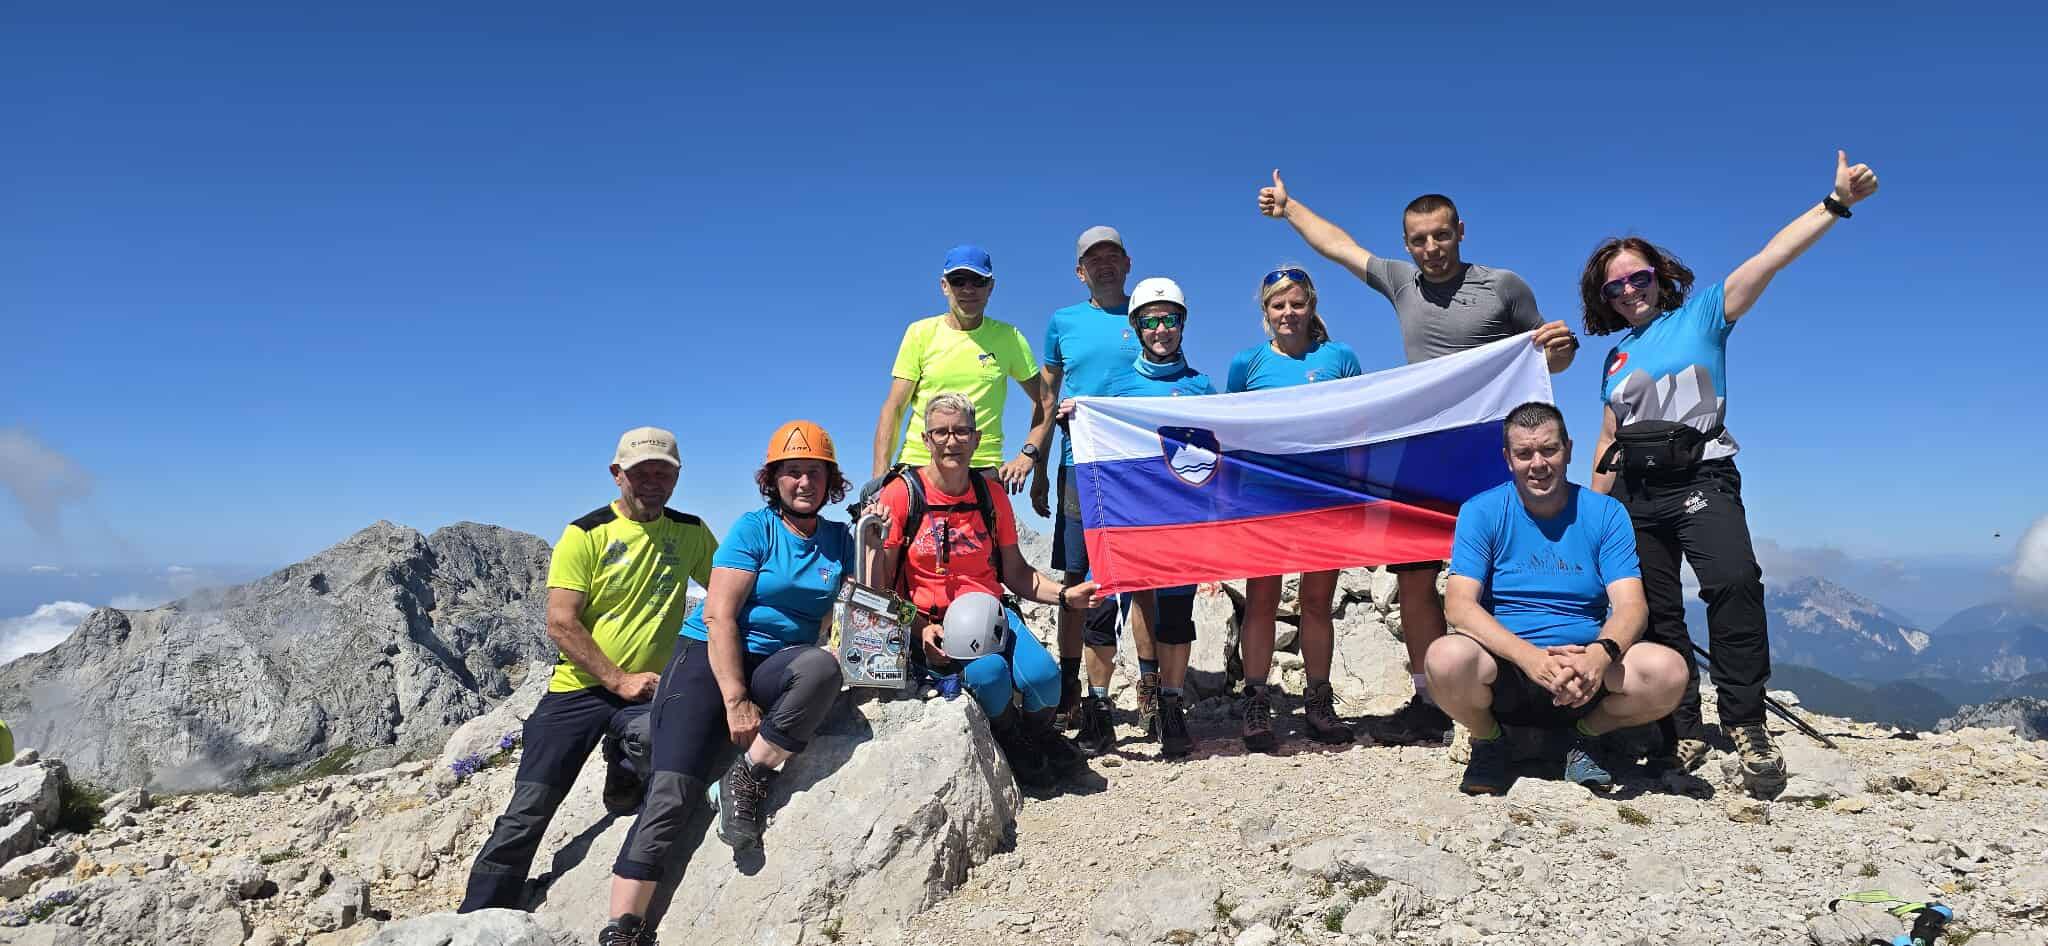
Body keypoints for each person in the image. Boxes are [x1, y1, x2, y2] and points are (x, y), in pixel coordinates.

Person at [1583, 151, 1881, 794]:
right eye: (1615, 288)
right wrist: (1592, 514)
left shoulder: (1704, 315)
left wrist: (1834, 205)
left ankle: (1745, 721)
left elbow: (1771, 257)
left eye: (1638, 278)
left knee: (1734, 581)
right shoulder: (1613, 359)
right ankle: (1680, 727)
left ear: (1660, 277)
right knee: (1655, 610)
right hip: (1635, 492)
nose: (1629, 292)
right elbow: (1608, 438)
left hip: (1702, 476)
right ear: (1604, 298)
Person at [1258, 171, 1581, 746]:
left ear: (1460, 231)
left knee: (1504, 571)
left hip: (1490, 455)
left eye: (1440, 235)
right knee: (1414, 577)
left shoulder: (1505, 287)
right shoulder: (1402, 282)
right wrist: (1290, 208)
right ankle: (1429, 698)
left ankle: (1518, 693)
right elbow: (1339, 247)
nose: (1431, 248)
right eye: (1418, 239)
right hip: (1425, 455)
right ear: (1406, 244)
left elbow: (1546, 359)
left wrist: (1563, 351)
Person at [601, 421, 854, 946]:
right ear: (773, 480)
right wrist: (735, 700)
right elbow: (718, 616)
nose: (804, 482)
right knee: (673, 792)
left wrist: (875, 535)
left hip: (776, 662)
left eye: (815, 472)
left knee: (822, 669)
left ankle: (746, 776)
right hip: (708, 655)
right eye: (792, 472)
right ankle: (622, 926)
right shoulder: (754, 529)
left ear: (831, 481)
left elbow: (860, 602)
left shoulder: (838, 541)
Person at [461, 427, 717, 913]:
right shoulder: (586, 533)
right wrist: (618, 679)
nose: (653, 482)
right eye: (642, 473)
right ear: (618, 474)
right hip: (579, 690)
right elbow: (561, 622)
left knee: (658, 742)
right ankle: (479, 916)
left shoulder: (691, 532)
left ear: (677, 476)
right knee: (529, 808)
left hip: (646, 692)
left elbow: (726, 590)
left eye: (664, 473)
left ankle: (623, 775)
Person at [1430, 402, 1688, 794]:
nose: (1538, 464)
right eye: (1524, 453)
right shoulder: (1481, 511)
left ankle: (1584, 737)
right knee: (1445, 659)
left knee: (1668, 672)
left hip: (1586, 670)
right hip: (1508, 667)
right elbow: (1459, 606)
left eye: (1549, 450)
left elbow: (1632, 605)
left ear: (1568, 449)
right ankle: (1490, 741)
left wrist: (1598, 656)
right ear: (1508, 458)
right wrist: (1529, 659)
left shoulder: (1605, 513)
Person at [868, 393, 1102, 787]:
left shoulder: (989, 495)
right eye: (941, 432)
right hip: (933, 625)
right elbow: (880, 589)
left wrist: (1065, 595)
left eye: (961, 431)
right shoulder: (903, 494)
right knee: (989, 674)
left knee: (1045, 678)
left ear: (976, 439)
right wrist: (919, 629)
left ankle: (1040, 735)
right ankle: (1012, 741)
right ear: (925, 439)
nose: (951, 441)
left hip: (992, 614)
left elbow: (1016, 572)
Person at [1070, 277, 1216, 758]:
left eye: (1170, 319)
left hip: (1179, 523)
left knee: (1175, 619)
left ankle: (1171, 710)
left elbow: (1218, 458)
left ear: (1182, 323)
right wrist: (1077, 414)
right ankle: (1098, 711)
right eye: (1150, 321)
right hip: (1125, 522)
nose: (1161, 329)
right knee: (1101, 613)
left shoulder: (1201, 388)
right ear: (1136, 328)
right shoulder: (1114, 388)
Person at [1224, 266, 1364, 751]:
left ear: (1312, 306)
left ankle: (1319, 702)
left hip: (1325, 497)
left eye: (1297, 303)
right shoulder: (1246, 364)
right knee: (1261, 600)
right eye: (1278, 305)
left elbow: (1360, 429)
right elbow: (1231, 434)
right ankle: (1256, 702)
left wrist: (1358, 494)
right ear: (1265, 312)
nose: (1289, 312)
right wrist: (1232, 501)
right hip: (1264, 500)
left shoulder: (1340, 358)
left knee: (1317, 603)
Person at [1029, 226, 1150, 731]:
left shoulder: (1147, 314)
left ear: (1127, 263)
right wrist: (1039, 467)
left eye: (1112, 256)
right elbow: (1047, 400)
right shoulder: (1063, 322)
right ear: (1080, 272)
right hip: (1079, 465)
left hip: (1139, 467)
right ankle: (1070, 690)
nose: (1104, 264)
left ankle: (1150, 688)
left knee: (1142, 576)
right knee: (1078, 579)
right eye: (1093, 259)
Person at [872, 244, 1049, 492]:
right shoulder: (919, 333)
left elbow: (1045, 400)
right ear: (944, 286)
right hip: (920, 465)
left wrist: (1028, 454)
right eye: (958, 281)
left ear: (991, 287)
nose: (968, 289)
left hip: (982, 469)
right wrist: (879, 478)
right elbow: (894, 407)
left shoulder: (1010, 338)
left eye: (978, 281)